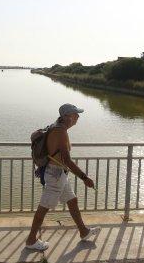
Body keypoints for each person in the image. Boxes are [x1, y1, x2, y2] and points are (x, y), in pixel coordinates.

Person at [25, 103, 101, 251]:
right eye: (75, 114)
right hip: (56, 175)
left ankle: (84, 232)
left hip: (59, 174)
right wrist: (84, 177)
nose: (78, 117)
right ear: (67, 116)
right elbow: (67, 160)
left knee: (72, 201)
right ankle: (31, 240)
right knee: (44, 208)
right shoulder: (60, 132)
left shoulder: (57, 126)